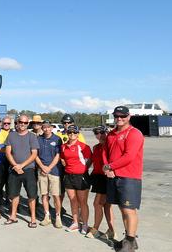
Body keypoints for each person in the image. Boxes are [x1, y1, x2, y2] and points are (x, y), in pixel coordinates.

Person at [102, 106, 144, 252]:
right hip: (113, 176)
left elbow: (129, 156)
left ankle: (131, 241)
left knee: (128, 210)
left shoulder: (134, 134)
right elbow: (105, 151)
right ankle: (128, 238)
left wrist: (110, 167)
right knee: (122, 209)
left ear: (129, 116)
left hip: (129, 177)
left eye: (123, 116)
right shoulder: (111, 134)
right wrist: (108, 169)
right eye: (117, 116)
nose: (119, 119)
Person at [4, 114, 39, 227]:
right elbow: (8, 152)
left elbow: (34, 154)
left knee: (31, 195)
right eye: (21, 122)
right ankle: (13, 216)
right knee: (14, 194)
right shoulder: (11, 136)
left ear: (28, 124)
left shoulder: (32, 136)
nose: (22, 124)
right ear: (17, 123)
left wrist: (21, 166)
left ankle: (33, 218)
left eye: (25, 123)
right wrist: (15, 165)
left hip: (28, 170)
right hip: (14, 170)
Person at [60, 124, 92, 234]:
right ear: (67, 134)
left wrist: (81, 170)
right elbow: (63, 160)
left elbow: (88, 161)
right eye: (70, 132)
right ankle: (75, 223)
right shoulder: (63, 146)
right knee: (73, 201)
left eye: (74, 132)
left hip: (81, 176)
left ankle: (85, 224)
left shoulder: (84, 147)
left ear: (78, 134)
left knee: (82, 202)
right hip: (68, 176)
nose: (72, 134)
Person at [86, 125, 115, 240]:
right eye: (96, 133)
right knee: (107, 206)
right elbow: (92, 161)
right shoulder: (96, 147)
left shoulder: (110, 146)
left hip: (107, 178)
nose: (99, 135)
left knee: (97, 204)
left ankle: (95, 229)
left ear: (106, 132)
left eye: (101, 132)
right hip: (98, 178)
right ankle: (112, 231)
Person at [34, 121, 63, 228]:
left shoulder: (57, 139)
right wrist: (42, 167)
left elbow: (58, 155)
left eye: (48, 127)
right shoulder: (38, 139)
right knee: (44, 194)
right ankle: (47, 216)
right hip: (42, 171)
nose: (46, 129)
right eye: (44, 127)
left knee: (56, 195)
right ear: (42, 128)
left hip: (54, 171)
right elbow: (35, 155)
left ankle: (58, 216)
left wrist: (49, 168)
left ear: (51, 128)